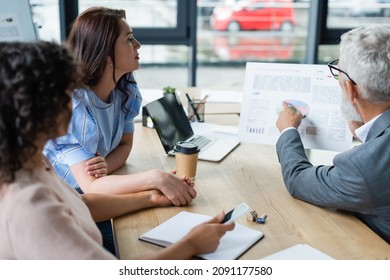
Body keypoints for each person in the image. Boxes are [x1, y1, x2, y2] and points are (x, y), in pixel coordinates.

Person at [0, 41, 235, 259]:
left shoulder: (32, 160)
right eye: (64, 93)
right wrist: (191, 244)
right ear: (32, 108)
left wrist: (151, 198)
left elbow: (83, 205)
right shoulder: (29, 204)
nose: (71, 102)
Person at [43, 7, 196, 254]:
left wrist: (104, 164)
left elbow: (125, 146)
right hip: (70, 216)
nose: (138, 45)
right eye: (129, 39)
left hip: (98, 197)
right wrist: (155, 177)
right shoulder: (73, 106)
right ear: (107, 55)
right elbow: (90, 187)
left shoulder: (123, 88)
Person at [275, 24, 390, 244]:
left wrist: (288, 129)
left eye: (338, 70)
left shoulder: (362, 167)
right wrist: (366, 126)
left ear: (351, 91)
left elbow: (299, 180)